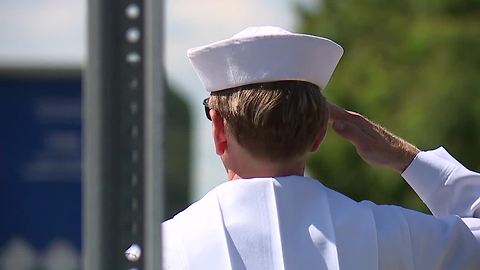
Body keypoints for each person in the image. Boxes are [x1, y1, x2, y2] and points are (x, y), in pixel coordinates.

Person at [162, 26, 480, 269]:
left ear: (218, 129)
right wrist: (406, 158)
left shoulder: (162, 247)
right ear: (319, 134)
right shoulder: (386, 235)